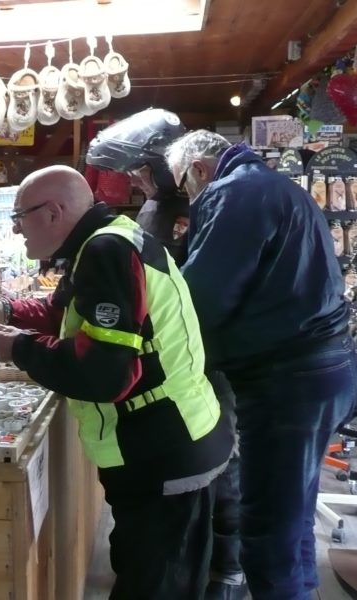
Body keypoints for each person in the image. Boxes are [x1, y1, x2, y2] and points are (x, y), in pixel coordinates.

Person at [0, 165, 233, 599]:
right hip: (167, 444)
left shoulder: (107, 251)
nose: (16, 231)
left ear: (52, 212)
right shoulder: (103, 240)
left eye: (19, 218)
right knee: (147, 572)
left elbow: (104, 374)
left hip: (164, 451)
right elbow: (65, 311)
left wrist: (19, 349)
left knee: (156, 586)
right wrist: (7, 311)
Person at [164, 130, 357, 600]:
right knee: (291, 518)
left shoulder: (234, 193)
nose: (187, 197)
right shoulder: (271, 187)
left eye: (183, 185)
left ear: (198, 170)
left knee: (268, 533)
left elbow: (202, 298)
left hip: (288, 380)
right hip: (323, 370)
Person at [86, 108, 245, 599]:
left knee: (220, 474)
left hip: (201, 361)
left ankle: (229, 570)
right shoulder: (175, 204)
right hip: (194, 359)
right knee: (214, 474)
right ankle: (224, 569)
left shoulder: (193, 204)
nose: (134, 179)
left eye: (139, 169)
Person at [86, 108, 190, 266]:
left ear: (163, 167)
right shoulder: (151, 205)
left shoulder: (194, 211)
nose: (133, 182)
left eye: (136, 171)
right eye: (128, 173)